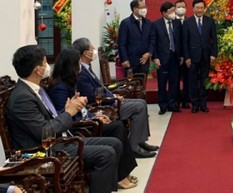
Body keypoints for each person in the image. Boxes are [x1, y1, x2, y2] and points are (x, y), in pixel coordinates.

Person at [7, 45, 122, 193]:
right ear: (38, 70)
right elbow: (44, 131)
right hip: (45, 150)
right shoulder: (22, 97)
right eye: (45, 63)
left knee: (115, 144)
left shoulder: (35, 89)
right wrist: (68, 112)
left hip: (60, 140)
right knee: (106, 154)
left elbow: (50, 119)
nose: (48, 67)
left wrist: (67, 109)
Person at [47, 48, 138, 189]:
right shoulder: (60, 88)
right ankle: (120, 176)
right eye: (77, 64)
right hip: (75, 129)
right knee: (117, 128)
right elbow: (65, 115)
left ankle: (122, 174)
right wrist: (92, 119)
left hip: (82, 121)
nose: (80, 68)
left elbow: (78, 108)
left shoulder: (69, 82)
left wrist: (94, 116)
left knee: (117, 126)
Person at [73, 37, 158, 158]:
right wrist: (113, 98)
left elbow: (101, 88)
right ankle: (134, 146)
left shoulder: (87, 67)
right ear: (86, 53)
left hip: (110, 99)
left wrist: (114, 95)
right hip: (104, 105)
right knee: (138, 107)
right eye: (92, 49)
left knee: (141, 102)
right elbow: (92, 95)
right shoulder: (81, 72)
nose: (94, 52)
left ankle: (139, 141)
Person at [183, 0, 218, 113]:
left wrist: (213, 54)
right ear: (193, 8)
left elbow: (214, 40)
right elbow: (185, 41)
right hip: (192, 57)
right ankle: (195, 104)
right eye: (197, 8)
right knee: (192, 81)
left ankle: (203, 104)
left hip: (206, 57)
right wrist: (187, 57)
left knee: (204, 81)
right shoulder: (187, 22)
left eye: (202, 8)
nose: (199, 10)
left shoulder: (210, 21)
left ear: (204, 8)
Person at [153, 2, 183, 114]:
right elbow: (154, 43)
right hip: (162, 58)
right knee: (162, 83)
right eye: (171, 11)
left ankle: (173, 104)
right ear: (164, 13)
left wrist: (181, 56)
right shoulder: (156, 24)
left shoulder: (177, 23)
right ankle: (163, 106)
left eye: (173, 10)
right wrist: (155, 58)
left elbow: (180, 40)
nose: (173, 13)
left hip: (175, 57)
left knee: (174, 82)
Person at [118, 0, 156, 76]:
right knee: (131, 86)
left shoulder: (148, 23)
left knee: (142, 85)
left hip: (144, 61)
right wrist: (124, 59)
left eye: (145, 7)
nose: (145, 9)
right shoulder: (126, 23)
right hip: (131, 61)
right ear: (135, 9)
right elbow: (121, 43)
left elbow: (153, 39)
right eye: (142, 7)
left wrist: (149, 53)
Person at [175, 0, 191, 109]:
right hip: (174, 57)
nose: (181, 9)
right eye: (178, 7)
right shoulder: (171, 21)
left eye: (183, 7)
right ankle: (176, 101)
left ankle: (186, 100)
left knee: (187, 80)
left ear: (186, 8)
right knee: (175, 80)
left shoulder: (189, 21)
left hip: (187, 56)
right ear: (175, 9)